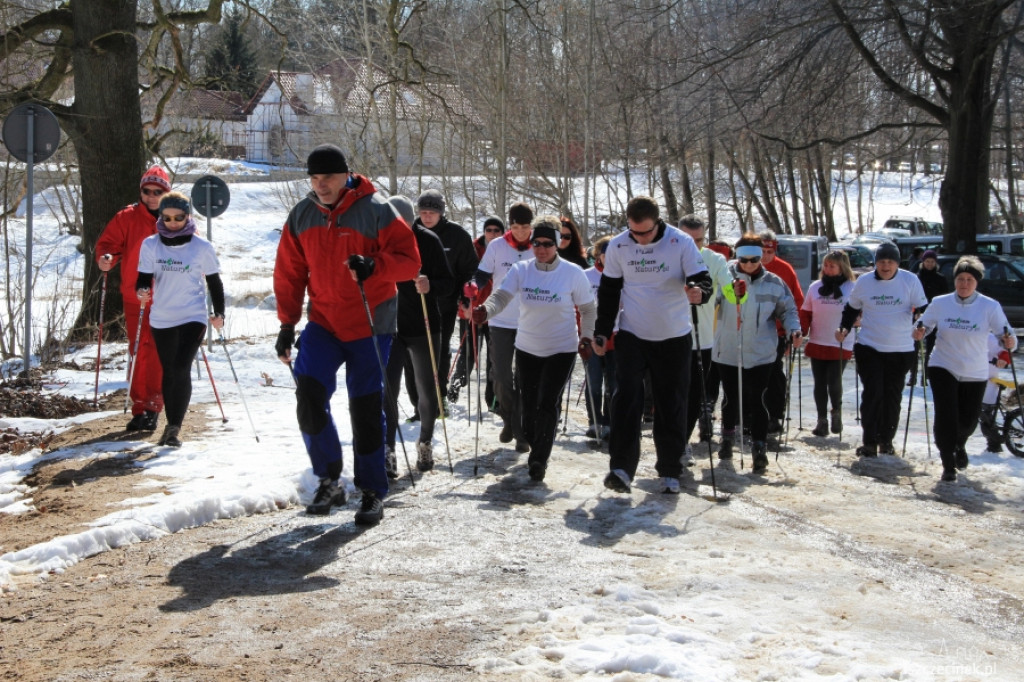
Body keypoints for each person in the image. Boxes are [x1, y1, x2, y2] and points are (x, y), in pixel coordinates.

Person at [274, 144, 420, 524]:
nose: (321, 185)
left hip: (371, 324)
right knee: (308, 395)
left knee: (365, 407)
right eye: (315, 178)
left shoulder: (377, 210)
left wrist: (374, 264)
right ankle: (329, 479)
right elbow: (290, 274)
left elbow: (409, 262)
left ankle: (371, 490)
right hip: (323, 322)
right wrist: (287, 324)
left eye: (329, 178)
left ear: (346, 175)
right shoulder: (302, 215)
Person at [593, 196, 711, 494]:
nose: (640, 239)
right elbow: (609, 291)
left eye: (645, 233)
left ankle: (670, 469)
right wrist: (602, 331)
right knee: (626, 399)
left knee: (671, 402)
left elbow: (702, 279)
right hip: (633, 333)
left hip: (673, 335)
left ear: (658, 223)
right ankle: (620, 468)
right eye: (634, 231)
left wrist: (699, 292)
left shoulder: (680, 242)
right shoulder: (620, 245)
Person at [471, 216, 596, 482]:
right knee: (528, 407)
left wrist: (586, 338)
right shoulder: (522, 270)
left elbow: (587, 309)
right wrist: (486, 310)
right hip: (528, 347)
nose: (541, 249)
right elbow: (502, 296)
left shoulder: (572, 273)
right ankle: (530, 437)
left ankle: (539, 458)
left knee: (548, 403)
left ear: (557, 245)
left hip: (561, 348)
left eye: (547, 244)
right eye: (536, 243)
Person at [913, 256, 1016, 482]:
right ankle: (947, 462)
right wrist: (919, 331)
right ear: (955, 280)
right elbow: (924, 325)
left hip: (974, 370)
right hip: (943, 364)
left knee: (968, 420)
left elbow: (1006, 334)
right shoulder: (940, 302)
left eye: (969, 279)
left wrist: (1008, 342)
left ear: (977, 282)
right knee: (946, 414)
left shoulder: (989, 306)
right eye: (960, 279)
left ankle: (959, 444)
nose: (964, 284)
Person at [134, 192, 224, 449]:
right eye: (167, 217)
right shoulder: (151, 245)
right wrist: (142, 291)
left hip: (192, 315)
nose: (173, 222)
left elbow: (214, 282)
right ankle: (170, 425)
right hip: (162, 316)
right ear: (161, 217)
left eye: (179, 217)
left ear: (188, 217)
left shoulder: (202, 247)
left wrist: (220, 313)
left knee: (180, 368)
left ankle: (173, 428)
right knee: (169, 369)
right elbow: (143, 278)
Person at [713, 234, 803, 474]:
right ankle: (728, 438)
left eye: (754, 259)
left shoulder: (774, 282)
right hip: (729, 350)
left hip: (762, 351)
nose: (750, 264)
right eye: (744, 259)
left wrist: (795, 329)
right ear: (737, 256)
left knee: (758, 398)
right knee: (732, 397)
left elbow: (788, 309)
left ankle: (759, 447)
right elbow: (709, 302)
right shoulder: (724, 276)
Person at [382, 195, 454, 476]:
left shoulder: (427, 240)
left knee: (427, 390)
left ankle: (424, 442)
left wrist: (430, 284)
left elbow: (448, 284)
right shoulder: (378, 240)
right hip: (388, 327)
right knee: (388, 391)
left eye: (401, 222)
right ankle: (388, 451)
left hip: (424, 325)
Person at [95, 165, 171, 432]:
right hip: (135, 298)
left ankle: (153, 406)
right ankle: (139, 407)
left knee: (158, 352)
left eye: (158, 191)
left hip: (166, 298)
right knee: (138, 350)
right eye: (147, 191)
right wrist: (106, 259)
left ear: (166, 192)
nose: (151, 196)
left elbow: (192, 245)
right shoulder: (126, 217)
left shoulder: (174, 216)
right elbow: (108, 246)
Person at [837, 241, 928, 458]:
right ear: (875, 263)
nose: (885, 266)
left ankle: (886, 440)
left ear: (897, 263)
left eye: (890, 262)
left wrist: (921, 325)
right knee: (872, 394)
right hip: (870, 346)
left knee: (892, 395)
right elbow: (851, 308)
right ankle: (869, 441)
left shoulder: (910, 280)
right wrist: (844, 328)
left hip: (902, 348)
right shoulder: (865, 282)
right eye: (881, 262)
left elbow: (924, 309)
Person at [465, 202, 536, 453]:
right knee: (502, 377)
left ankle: (521, 430)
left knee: (525, 379)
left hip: (531, 321)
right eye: (515, 227)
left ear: (532, 226)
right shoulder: (497, 246)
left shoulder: (539, 246)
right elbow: (482, 274)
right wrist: (473, 284)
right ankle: (509, 419)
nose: (520, 232)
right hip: (500, 320)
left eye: (525, 227)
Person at [414, 190, 477, 405]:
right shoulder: (411, 232)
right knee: (417, 353)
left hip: (445, 303)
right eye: (423, 212)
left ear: (441, 213)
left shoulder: (457, 235)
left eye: (432, 212)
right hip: (413, 304)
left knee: (439, 350)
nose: (427, 216)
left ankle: (438, 396)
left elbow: (469, 270)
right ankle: (419, 401)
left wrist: (466, 295)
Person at [678, 215, 730, 453]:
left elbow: (731, 293)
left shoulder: (714, 259)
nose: (695, 246)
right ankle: (671, 441)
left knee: (694, 396)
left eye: (699, 240)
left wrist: (739, 292)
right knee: (671, 394)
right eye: (689, 240)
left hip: (702, 339)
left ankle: (682, 443)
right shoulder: (667, 256)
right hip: (668, 336)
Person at [800, 250, 856, 437]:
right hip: (818, 339)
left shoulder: (852, 287)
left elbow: (860, 312)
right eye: (825, 265)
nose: (827, 269)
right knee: (819, 382)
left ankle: (836, 412)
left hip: (840, 341)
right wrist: (801, 331)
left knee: (834, 380)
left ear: (842, 268)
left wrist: (856, 322)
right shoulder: (815, 287)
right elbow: (806, 312)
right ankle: (821, 419)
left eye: (832, 266)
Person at [457, 216, 505, 409]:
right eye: (489, 230)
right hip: (470, 308)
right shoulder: (472, 248)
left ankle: (492, 398)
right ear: (484, 232)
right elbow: (461, 275)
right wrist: (462, 302)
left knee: (493, 357)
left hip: (495, 311)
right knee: (468, 353)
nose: (492, 234)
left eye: (497, 230)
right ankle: (454, 389)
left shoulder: (506, 249)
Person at [759, 230, 804, 436]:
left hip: (776, 332)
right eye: (762, 250)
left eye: (769, 251)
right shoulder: (744, 266)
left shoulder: (784, 270)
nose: (765, 255)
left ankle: (775, 414)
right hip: (749, 330)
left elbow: (796, 301)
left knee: (774, 373)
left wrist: (793, 331)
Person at [583, 236, 615, 440]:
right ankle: (594, 421)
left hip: (616, 337)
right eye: (605, 254)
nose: (609, 258)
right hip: (590, 336)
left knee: (613, 383)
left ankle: (610, 422)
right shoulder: (586, 275)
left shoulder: (624, 276)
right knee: (593, 382)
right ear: (598, 254)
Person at [909, 249, 949, 385]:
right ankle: (912, 375)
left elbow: (944, 299)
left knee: (930, 347)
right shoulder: (916, 278)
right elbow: (912, 297)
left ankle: (925, 376)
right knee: (914, 347)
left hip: (935, 316)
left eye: (932, 262)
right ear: (923, 262)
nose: (929, 264)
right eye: (927, 261)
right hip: (917, 315)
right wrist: (916, 312)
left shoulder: (940, 278)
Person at [978, 333, 1012, 453]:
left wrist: (1003, 359)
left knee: (985, 415)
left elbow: (1006, 351)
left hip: (989, 382)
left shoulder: (990, 338)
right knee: (982, 415)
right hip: (974, 381)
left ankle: (994, 444)